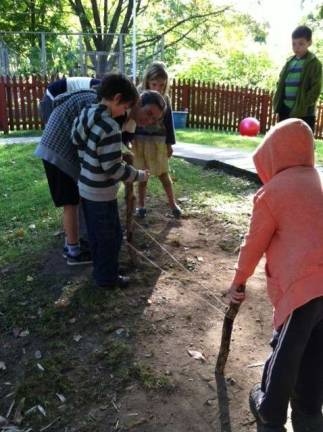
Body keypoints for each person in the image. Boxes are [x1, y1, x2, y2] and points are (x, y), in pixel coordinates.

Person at [229, 119, 323, 432]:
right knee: (315, 349)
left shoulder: (272, 193)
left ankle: (270, 410)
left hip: (302, 288)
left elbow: (253, 244)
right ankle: (309, 412)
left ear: (273, 155)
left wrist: (238, 281)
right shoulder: (318, 180)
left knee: (286, 350)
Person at [71, 74, 165, 288]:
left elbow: (75, 139)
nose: (125, 112)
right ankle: (107, 279)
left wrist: (91, 156)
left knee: (95, 234)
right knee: (111, 237)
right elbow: (113, 169)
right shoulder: (110, 127)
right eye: (126, 107)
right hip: (101, 193)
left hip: (85, 187)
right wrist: (139, 175)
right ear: (117, 98)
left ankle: (100, 269)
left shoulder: (88, 112)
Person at [132, 61, 182, 219]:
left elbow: (169, 123)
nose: (158, 88)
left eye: (162, 85)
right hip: (139, 142)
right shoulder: (138, 96)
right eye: (154, 84)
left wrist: (169, 144)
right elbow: (132, 118)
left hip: (158, 142)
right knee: (142, 176)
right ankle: (141, 206)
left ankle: (173, 204)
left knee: (163, 175)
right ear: (147, 80)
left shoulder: (164, 99)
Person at [273, 25, 322, 133]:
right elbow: (281, 82)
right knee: (283, 139)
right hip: (285, 108)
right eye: (294, 44)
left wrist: (303, 105)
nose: (296, 47)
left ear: (309, 43)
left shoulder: (314, 63)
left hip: (304, 112)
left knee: (303, 141)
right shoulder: (289, 62)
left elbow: (315, 89)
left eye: (301, 43)